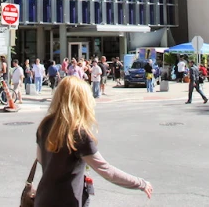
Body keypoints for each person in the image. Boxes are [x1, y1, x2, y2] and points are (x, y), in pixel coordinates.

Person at [34, 76, 153, 206]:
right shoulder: (78, 133)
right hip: (67, 201)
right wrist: (140, 183)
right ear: (82, 101)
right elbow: (106, 170)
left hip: (43, 199)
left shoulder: (45, 125)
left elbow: (40, 159)